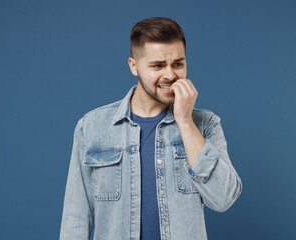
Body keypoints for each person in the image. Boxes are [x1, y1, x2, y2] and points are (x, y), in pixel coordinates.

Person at [60, 17, 242, 240]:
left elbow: (223, 199)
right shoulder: (91, 128)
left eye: (178, 64)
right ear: (133, 66)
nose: (170, 75)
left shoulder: (206, 124)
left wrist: (185, 121)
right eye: (157, 65)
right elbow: (74, 222)